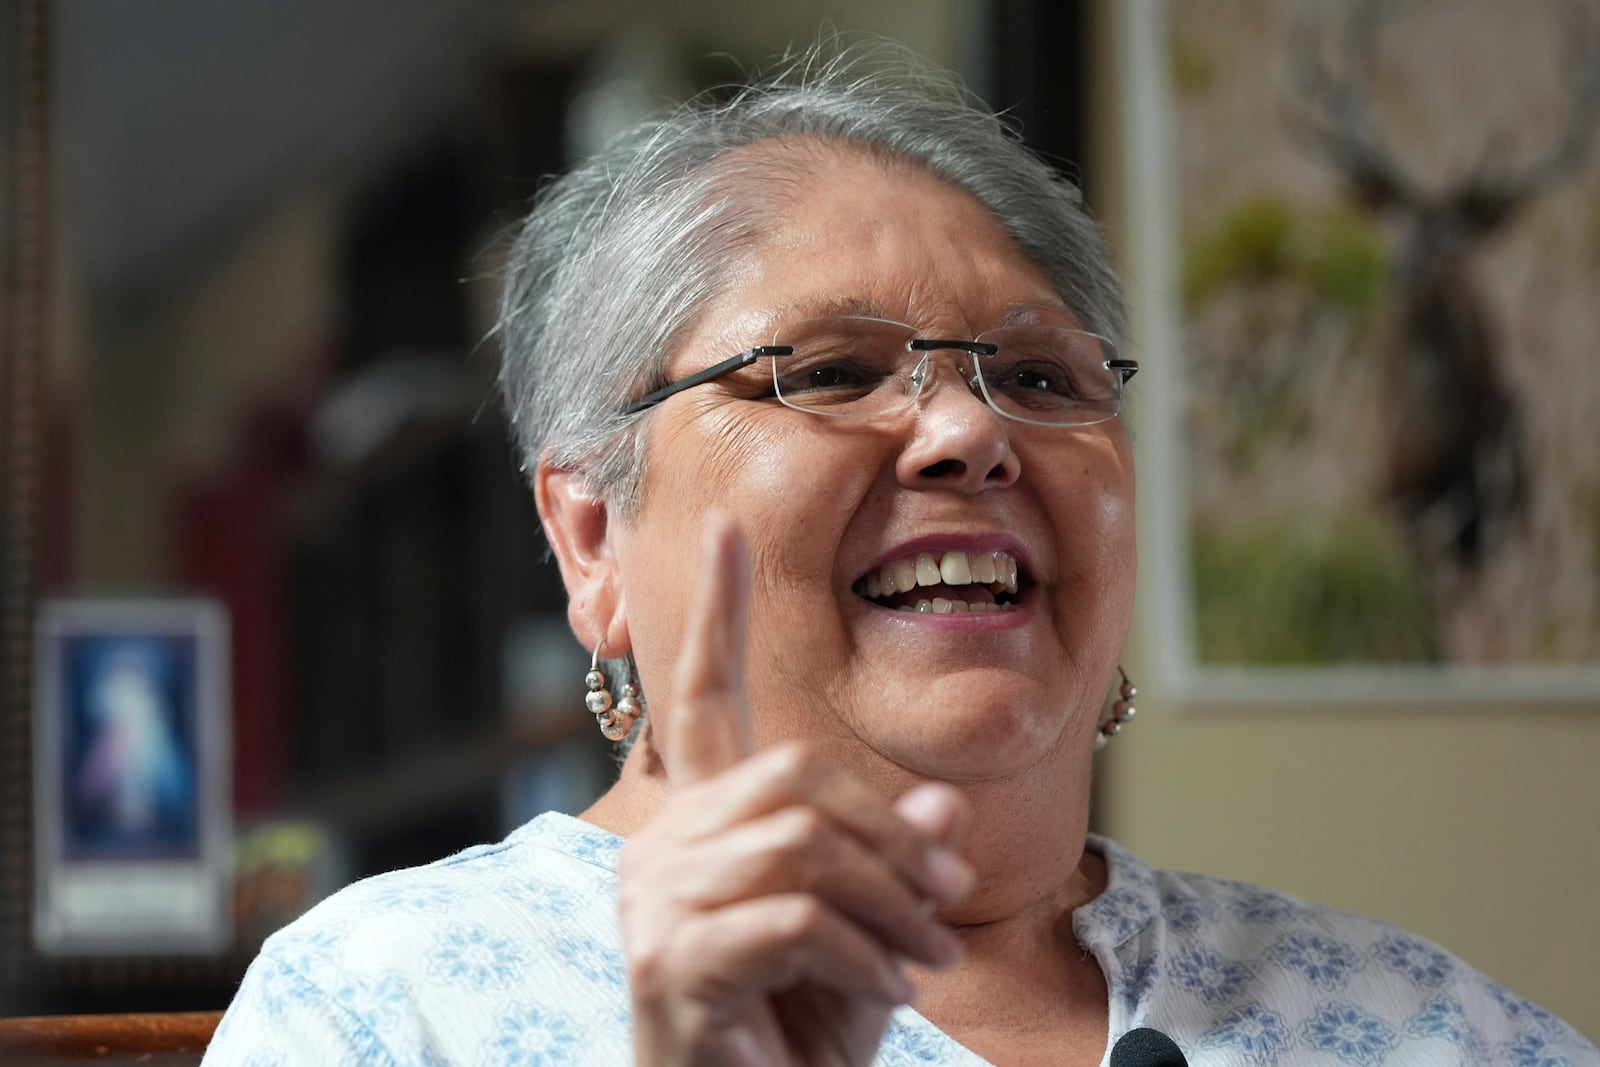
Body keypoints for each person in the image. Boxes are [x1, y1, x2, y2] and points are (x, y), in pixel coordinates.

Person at [203, 43, 1597, 1066]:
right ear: (591, 540)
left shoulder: (1425, 1031)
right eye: (827, 369)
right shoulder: (385, 1011)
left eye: (1043, 380)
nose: (967, 434)